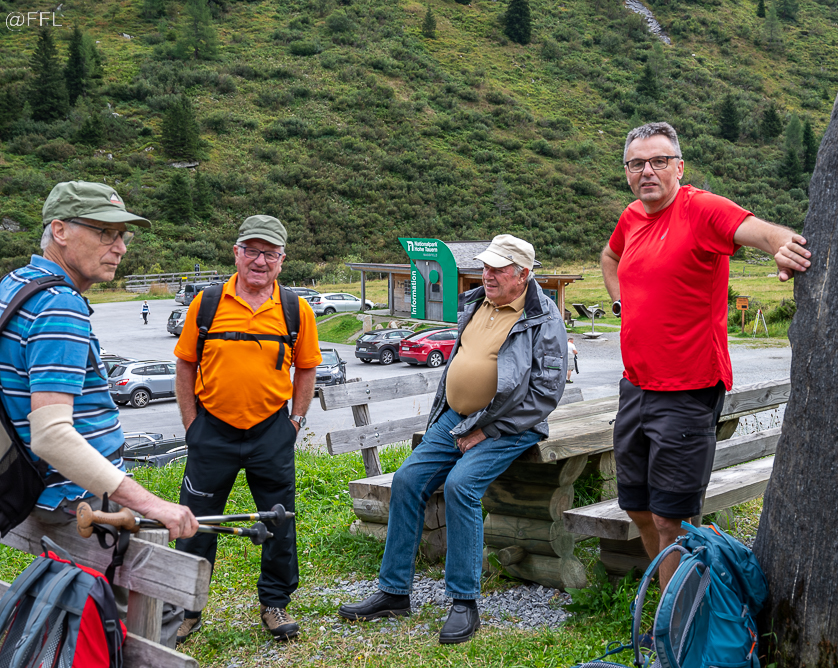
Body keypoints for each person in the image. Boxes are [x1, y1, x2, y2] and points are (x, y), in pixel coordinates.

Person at [601, 122, 811, 588]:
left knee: (671, 519)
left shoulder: (701, 209)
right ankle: (673, 598)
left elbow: (758, 231)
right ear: (627, 172)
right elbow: (610, 258)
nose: (647, 171)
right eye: (637, 164)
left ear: (679, 167)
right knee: (637, 506)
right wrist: (621, 304)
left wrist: (782, 246)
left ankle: (680, 618)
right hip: (635, 385)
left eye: (659, 161)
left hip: (688, 388)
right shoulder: (632, 216)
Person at [338, 234, 567, 645]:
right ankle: (394, 592)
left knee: (461, 486)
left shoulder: (543, 318)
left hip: (509, 425)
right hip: (456, 418)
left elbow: (544, 395)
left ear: (523, 274)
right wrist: (463, 418)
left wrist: (487, 429)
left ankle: (464, 602)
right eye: (486, 267)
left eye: (498, 269)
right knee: (408, 480)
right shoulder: (478, 302)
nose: (487, 275)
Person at [0, 181, 199, 644]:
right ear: (59, 230)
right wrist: (151, 504)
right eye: (105, 232)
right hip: (77, 501)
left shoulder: (14, 286)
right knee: (152, 615)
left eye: (123, 236)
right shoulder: (60, 307)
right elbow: (52, 435)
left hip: (35, 491)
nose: (120, 247)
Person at [172, 215, 322, 643]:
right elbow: (185, 364)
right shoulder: (207, 303)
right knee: (197, 523)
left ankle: (275, 604)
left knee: (279, 521)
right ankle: (186, 609)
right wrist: (191, 424)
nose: (260, 261)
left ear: (282, 260)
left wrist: (295, 422)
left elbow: (306, 369)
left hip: (271, 432)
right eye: (252, 251)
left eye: (269, 253)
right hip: (212, 430)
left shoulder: (295, 309)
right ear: (236, 253)